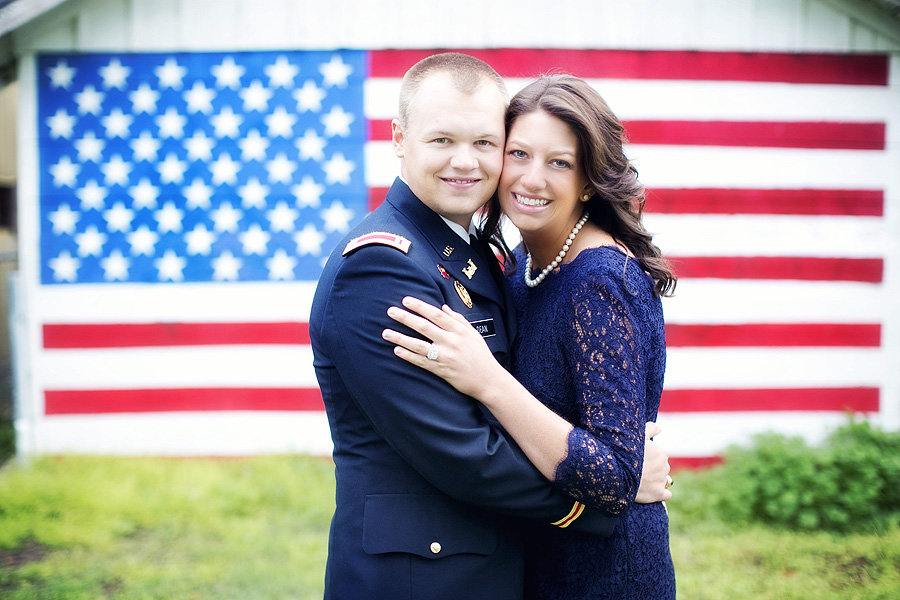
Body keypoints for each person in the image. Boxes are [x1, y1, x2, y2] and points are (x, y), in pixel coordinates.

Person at [310, 54, 671, 600]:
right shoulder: (381, 265)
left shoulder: (485, 255)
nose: (465, 162)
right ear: (399, 139)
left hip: (500, 564)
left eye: (484, 143)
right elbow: (463, 450)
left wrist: (613, 470)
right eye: (441, 141)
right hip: (423, 577)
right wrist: (603, 497)